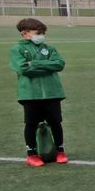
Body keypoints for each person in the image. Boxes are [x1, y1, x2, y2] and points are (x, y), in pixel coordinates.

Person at [10, 18, 68, 167]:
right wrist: (47, 66)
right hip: (30, 94)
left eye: (43, 33)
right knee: (31, 123)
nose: (41, 35)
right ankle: (32, 154)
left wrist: (34, 63)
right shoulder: (17, 50)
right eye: (38, 33)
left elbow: (59, 64)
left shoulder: (49, 49)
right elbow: (23, 68)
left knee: (56, 122)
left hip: (52, 92)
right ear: (25, 33)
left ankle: (60, 151)